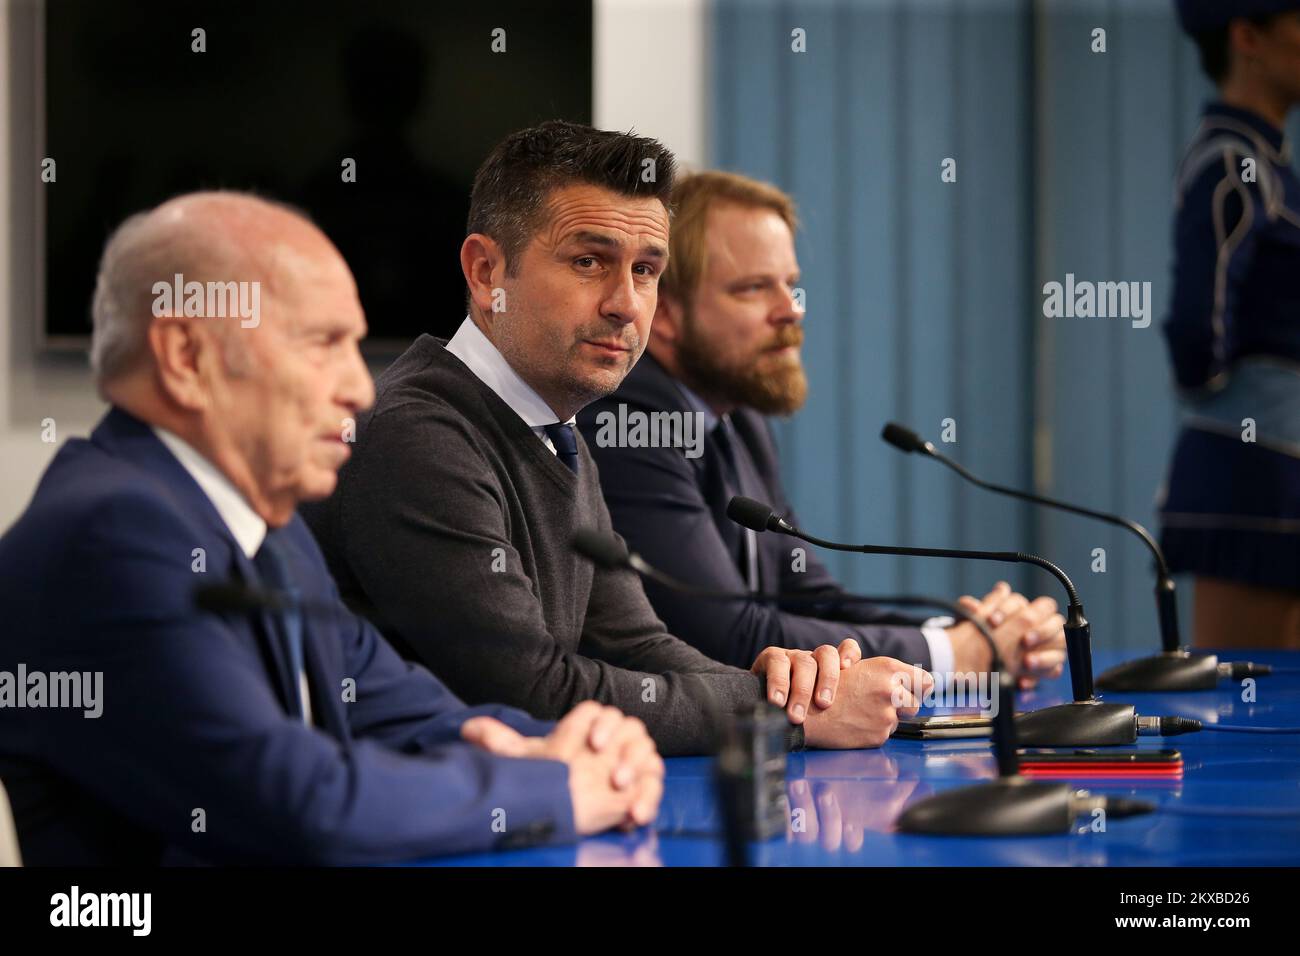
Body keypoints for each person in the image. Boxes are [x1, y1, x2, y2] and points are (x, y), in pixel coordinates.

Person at [0, 192, 662, 865]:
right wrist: (554, 788)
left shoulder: (266, 529)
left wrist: (561, 750)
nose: (360, 389)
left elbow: (402, 711)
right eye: (323, 344)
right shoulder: (110, 535)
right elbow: (304, 800)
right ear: (185, 358)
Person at [303, 121, 933, 757]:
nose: (626, 304)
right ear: (485, 270)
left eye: (646, 269)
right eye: (588, 262)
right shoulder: (419, 434)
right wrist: (782, 714)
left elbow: (637, 644)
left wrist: (793, 689)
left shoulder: (556, 424)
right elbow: (532, 692)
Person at [578, 170, 1069, 685]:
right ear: (667, 315)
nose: (790, 311)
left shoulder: (738, 418)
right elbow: (727, 637)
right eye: (752, 288)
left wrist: (969, 634)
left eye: (789, 285)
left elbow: (808, 596)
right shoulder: (630, 420)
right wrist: (955, 653)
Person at [1163, 1, 1300, 647]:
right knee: (1256, 710)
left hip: (1280, 466)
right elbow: (1195, 331)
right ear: (1247, 36)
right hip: (1255, 471)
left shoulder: (1270, 165)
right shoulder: (1233, 161)